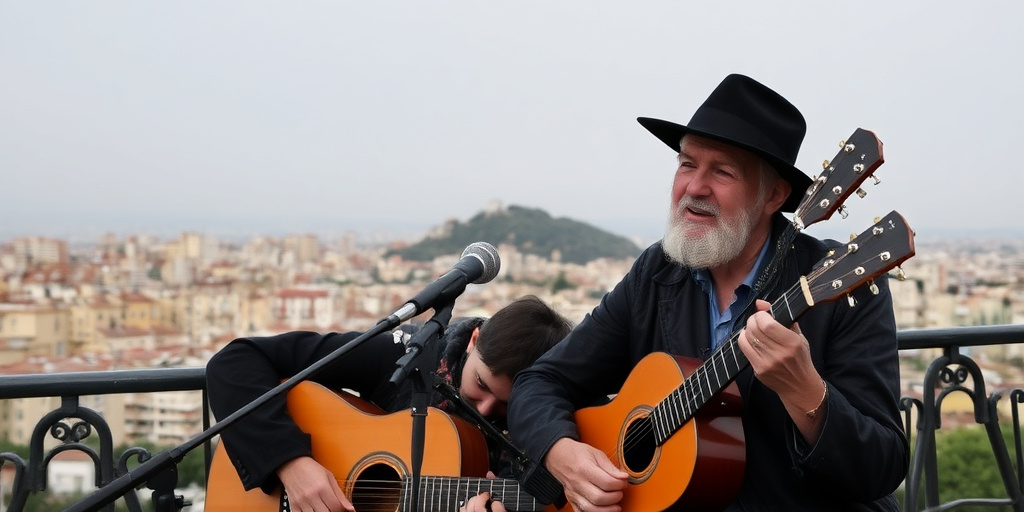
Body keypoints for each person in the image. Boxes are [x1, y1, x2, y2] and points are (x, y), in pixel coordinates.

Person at [507, 74, 909, 511]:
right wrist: (562, 452)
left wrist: (806, 393)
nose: (694, 188)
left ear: (773, 195)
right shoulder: (657, 272)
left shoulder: (837, 281)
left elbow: (882, 466)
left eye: (722, 171)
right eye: (686, 164)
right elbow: (540, 381)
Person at [208, 294, 573, 512]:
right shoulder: (412, 353)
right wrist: (289, 462)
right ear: (474, 340)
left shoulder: (549, 426)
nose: (484, 409)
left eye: (506, 405)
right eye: (481, 384)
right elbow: (234, 363)